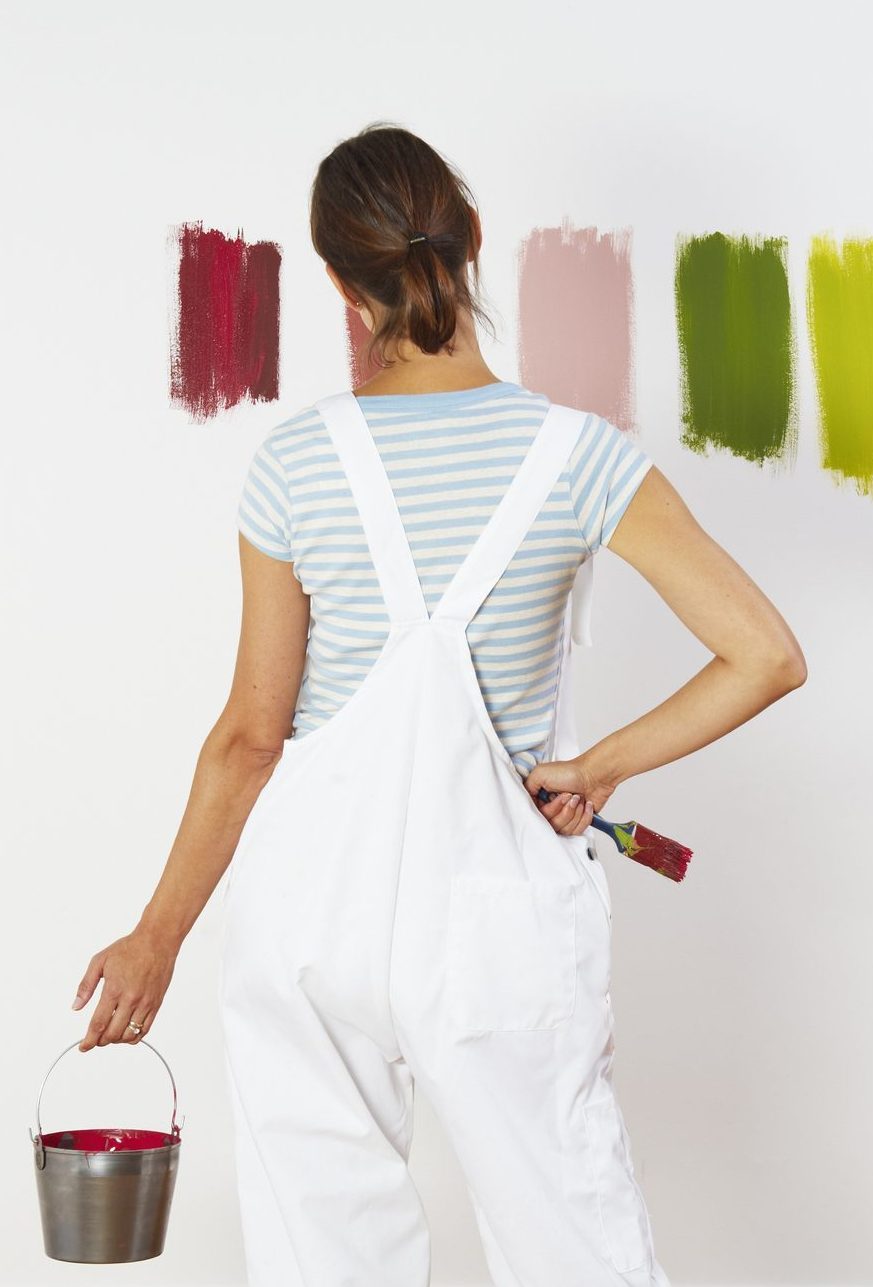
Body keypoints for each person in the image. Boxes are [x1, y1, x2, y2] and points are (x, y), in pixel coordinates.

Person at [70, 122, 807, 1285]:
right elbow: (764, 654)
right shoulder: (576, 457)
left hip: (309, 917)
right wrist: (602, 760)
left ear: (335, 283)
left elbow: (250, 737)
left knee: (325, 1252)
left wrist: (155, 937)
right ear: (470, 239)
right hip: (492, 917)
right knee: (572, 1241)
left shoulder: (297, 462)